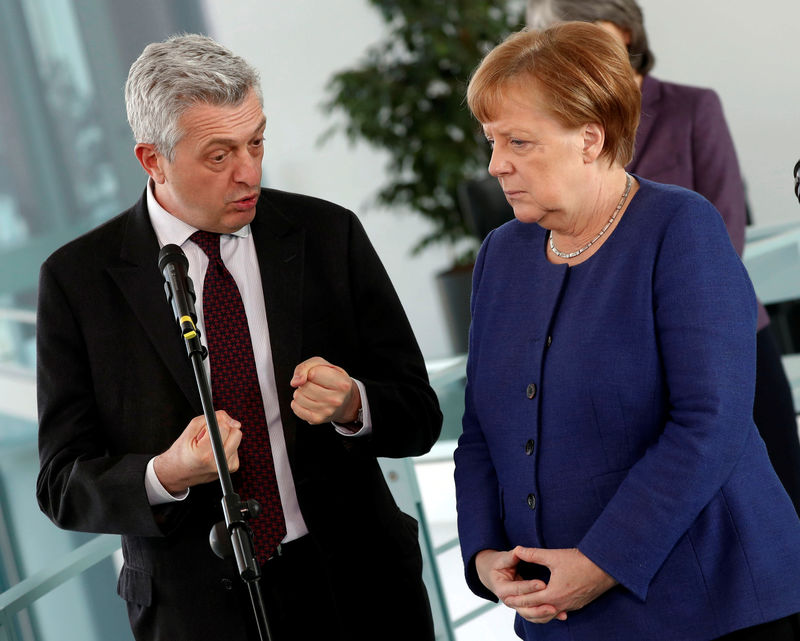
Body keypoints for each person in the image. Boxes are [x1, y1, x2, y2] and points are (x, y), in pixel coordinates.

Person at [36, 34, 442, 641]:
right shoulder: (77, 282)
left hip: (361, 590)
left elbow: (419, 412)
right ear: (153, 160)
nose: (249, 172)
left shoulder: (329, 233)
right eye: (219, 156)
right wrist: (166, 472)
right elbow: (60, 484)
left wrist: (356, 404)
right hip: (195, 614)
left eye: (256, 142)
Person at [453, 22, 800, 640]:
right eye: (491, 140)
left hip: (713, 608)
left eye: (519, 141)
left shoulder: (681, 227)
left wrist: (600, 562)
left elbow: (708, 424)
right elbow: (481, 430)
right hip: (560, 615)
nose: (495, 163)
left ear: (590, 138)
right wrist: (485, 557)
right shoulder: (501, 255)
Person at [527, 0, 800, 517]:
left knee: (781, 499)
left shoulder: (692, 106)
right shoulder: (552, 133)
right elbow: (558, 239)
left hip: (726, 334)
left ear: (629, 33)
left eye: (598, 34)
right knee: (677, 515)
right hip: (621, 356)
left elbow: (724, 232)